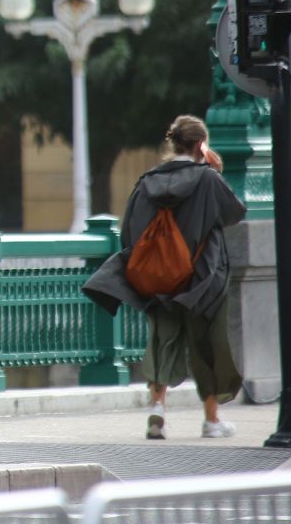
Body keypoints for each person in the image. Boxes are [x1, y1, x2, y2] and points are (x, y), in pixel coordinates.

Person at [83, 115, 245, 440]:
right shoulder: (207, 179)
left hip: (158, 278)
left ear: (172, 143)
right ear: (201, 145)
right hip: (203, 278)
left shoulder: (147, 181)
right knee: (207, 344)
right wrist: (215, 170)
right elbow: (234, 213)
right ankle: (212, 421)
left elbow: (129, 230)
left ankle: (157, 407)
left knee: (161, 339)